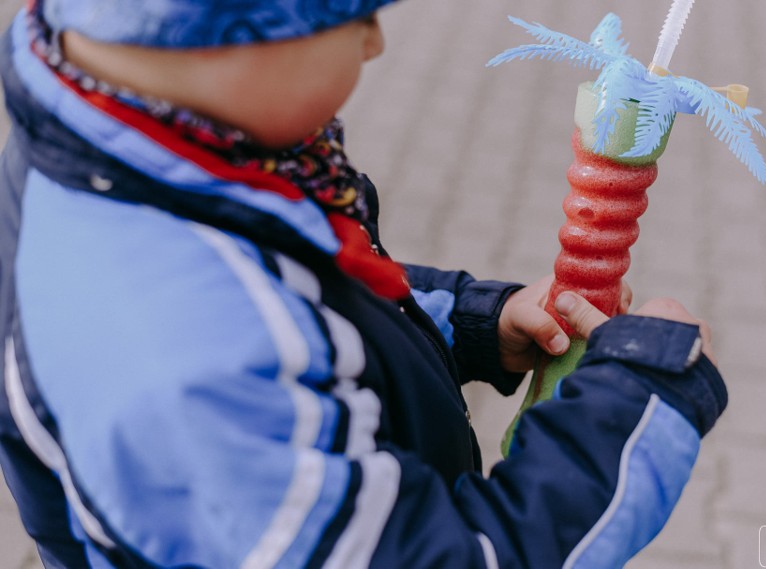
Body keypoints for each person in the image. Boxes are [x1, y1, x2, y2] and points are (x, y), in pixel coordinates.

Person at [0, 1, 727, 568]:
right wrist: (636, 401)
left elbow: (312, 304)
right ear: (227, 34)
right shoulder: (181, 363)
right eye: (354, 17)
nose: (376, 42)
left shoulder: (131, 157)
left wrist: (474, 322)